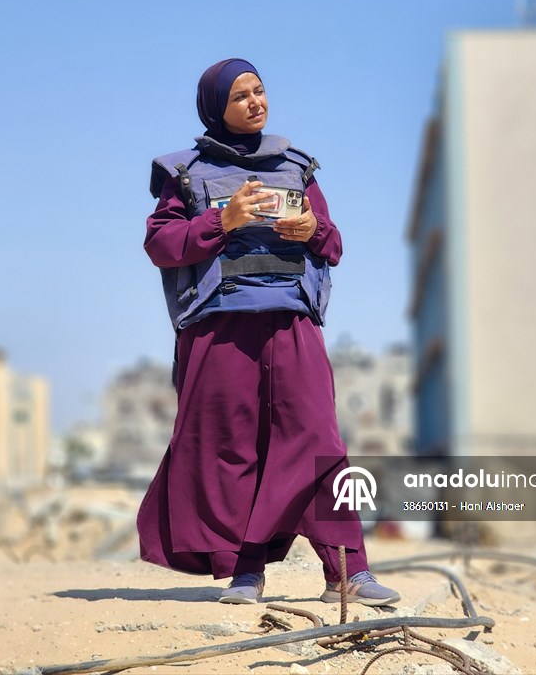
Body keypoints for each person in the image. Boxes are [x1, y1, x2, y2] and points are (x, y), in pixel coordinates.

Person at [137, 58, 401, 606]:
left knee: (320, 443)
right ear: (217, 107)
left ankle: (348, 572)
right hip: (219, 328)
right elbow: (161, 245)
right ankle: (245, 573)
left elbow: (333, 246)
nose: (256, 103)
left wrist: (313, 228)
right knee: (231, 448)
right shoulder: (183, 172)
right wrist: (222, 220)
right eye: (241, 97)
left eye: (260, 92)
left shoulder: (298, 167)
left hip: (292, 323)